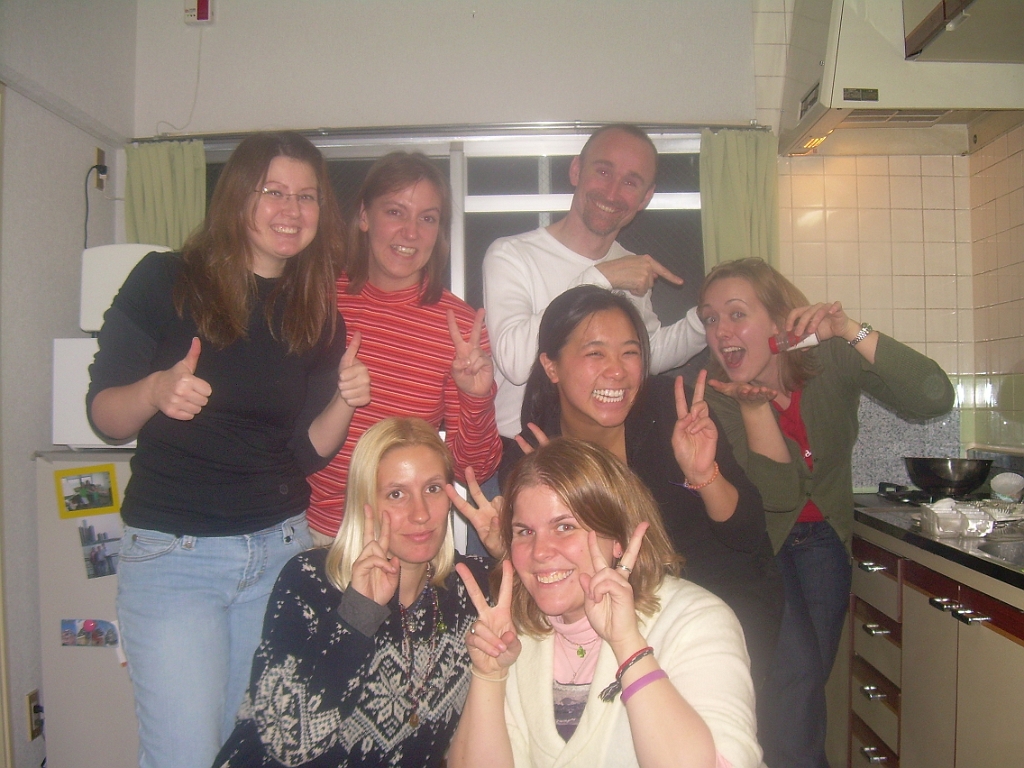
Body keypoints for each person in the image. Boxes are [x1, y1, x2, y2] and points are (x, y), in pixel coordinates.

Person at [87, 132, 371, 768]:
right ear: (239, 197)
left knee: (252, 750)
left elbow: (304, 454)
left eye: (307, 196)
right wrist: (156, 389)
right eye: (273, 191)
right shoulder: (166, 280)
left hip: (278, 550)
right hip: (174, 557)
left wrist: (346, 402)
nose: (291, 210)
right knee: (185, 754)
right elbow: (104, 413)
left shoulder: (315, 311)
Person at [698, 257, 955, 768]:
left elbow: (934, 396)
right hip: (758, 550)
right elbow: (778, 493)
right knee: (792, 681)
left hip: (826, 545)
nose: (721, 331)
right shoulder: (718, 394)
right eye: (710, 319)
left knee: (804, 686)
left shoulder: (831, 358)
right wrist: (753, 408)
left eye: (735, 314)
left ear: (778, 320)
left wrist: (848, 329)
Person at [503, 284, 781, 687]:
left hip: (722, 604)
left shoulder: (673, 412)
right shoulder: (536, 453)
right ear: (551, 366)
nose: (617, 370)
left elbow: (749, 533)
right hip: (617, 624)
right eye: (595, 352)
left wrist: (704, 475)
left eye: (630, 352)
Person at [448, 438, 764, 768]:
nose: (540, 551)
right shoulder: (517, 633)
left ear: (618, 539)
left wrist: (628, 646)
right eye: (525, 532)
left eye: (565, 527)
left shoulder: (695, 621)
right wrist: (489, 674)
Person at [213, 417, 491, 768]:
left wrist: (510, 548)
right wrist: (358, 615)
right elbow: (290, 745)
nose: (420, 514)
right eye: (396, 493)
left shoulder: (472, 587)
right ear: (366, 502)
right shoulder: (311, 581)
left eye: (433, 488)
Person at [306, 151, 502, 541]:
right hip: (309, 531)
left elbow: (475, 471)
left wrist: (476, 399)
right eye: (395, 212)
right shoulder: (316, 300)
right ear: (364, 216)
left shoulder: (460, 328)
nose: (411, 233)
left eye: (427, 219)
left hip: (404, 540)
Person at [483, 123, 707, 442]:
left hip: (598, 448)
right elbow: (516, 363)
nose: (613, 192)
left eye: (631, 182)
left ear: (645, 197)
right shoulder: (511, 254)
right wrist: (601, 278)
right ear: (576, 170)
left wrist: (707, 320)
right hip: (520, 448)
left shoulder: (625, 264)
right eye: (603, 172)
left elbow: (649, 352)